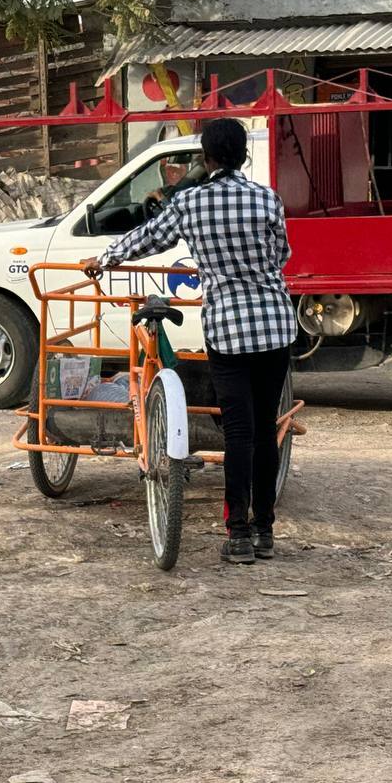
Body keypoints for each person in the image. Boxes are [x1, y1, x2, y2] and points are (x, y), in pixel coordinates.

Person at [83, 118, 296, 565]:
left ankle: (237, 535)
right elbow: (282, 256)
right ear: (242, 155)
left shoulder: (192, 202)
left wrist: (103, 258)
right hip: (276, 325)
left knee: (237, 433)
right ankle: (264, 533)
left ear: (207, 157)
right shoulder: (266, 199)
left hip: (228, 329)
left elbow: (146, 238)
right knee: (264, 431)